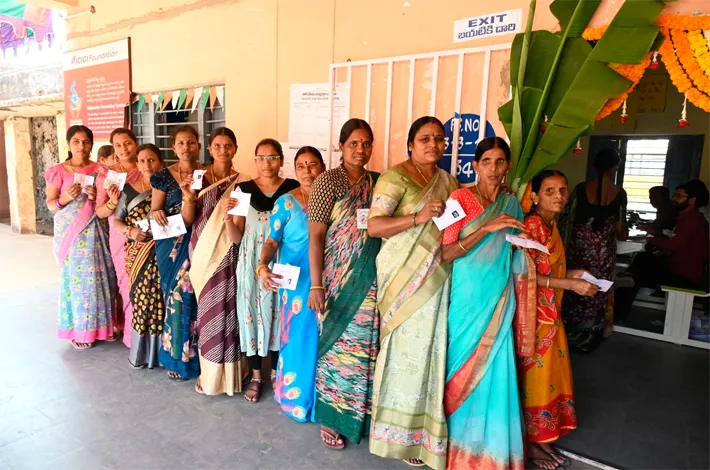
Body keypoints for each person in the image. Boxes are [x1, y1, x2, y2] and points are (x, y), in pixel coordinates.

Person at [366, 116, 458, 469]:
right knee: (403, 352)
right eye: (424, 138)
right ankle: (397, 436)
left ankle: (425, 436)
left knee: (431, 352)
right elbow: (375, 226)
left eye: (439, 138)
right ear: (410, 144)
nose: (433, 144)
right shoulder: (395, 177)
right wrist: (418, 217)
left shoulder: (448, 181)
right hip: (402, 280)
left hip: (437, 277)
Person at [440, 136, 531, 470]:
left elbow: (514, 249)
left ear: (508, 166)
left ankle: (491, 453)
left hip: (499, 299)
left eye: (500, 161)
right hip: (467, 300)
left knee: (496, 370)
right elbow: (446, 252)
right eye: (487, 161)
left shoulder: (512, 203)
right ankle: (455, 450)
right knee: (459, 366)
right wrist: (487, 228)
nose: (493, 168)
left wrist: (526, 245)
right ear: (475, 165)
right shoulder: (458, 199)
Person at [308, 118, 381, 450]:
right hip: (336, 280)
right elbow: (316, 235)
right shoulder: (328, 181)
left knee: (365, 349)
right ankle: (332, 416)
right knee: (336, 347)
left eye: (366, 144)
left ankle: (359, 416)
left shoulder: (377, 182)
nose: (360, 149)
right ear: (340, 146)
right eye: (354, 143)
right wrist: (316, 285)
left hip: (369, 278)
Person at [519, 171, 598, 470]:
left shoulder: (549, 224)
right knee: (535, 380)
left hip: (551, 314)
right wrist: (570, 284)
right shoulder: (532, 226)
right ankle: (529, 443)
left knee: (549, 377)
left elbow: (549, 270)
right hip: (535, 318)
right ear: (534, 196)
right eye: (549, 190)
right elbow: (524, 275)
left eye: (563, 190)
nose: (559, 196)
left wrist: (573, 275)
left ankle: (540, 438)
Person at [258, 146, 326, 421]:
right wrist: (262, 266)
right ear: (295, 171)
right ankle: (295, 398)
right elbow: (272, 241)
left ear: (323, 168)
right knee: (298, 338)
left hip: (327, 280)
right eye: (301, 166)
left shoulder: (333, 200)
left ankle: (324, 402)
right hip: (296, 285)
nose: (307, 171)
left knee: (323, 339)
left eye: (313, 164)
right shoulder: (285, 203)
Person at [229, 138, 299, 402]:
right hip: (251, 262)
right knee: (252, 315)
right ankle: (257, 376)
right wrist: (227, 219)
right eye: (261, 158)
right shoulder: (242, 190)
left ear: (281, 160)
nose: (266, 163)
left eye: (272, 158)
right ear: (255, 160)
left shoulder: (293, 188)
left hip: (284, 259)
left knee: (281, 313)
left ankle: (277, 373)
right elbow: (236, 237)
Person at [189, 127, 251, 396]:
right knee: (207, 314)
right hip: (200, 252)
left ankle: (233, 375)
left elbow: (238, 230)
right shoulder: (198, 177)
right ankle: (210, 375)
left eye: (228, 146)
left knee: (228, 312)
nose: (223, 150)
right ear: (209, 148)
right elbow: (188, 217)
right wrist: (186, 196)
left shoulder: (243, 183)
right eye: (217, 146)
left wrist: (227, 217)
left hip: (228, 253)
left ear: (235, 148)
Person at [44, 125, 117, 350]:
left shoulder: (101, 170)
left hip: (96, 230)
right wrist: (66, 198)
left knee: (102, 278)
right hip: (72, 235)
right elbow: (51, 204)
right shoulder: (57, 171)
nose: (81, 146)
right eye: (76, 141)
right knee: (79, 283)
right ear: (68, 144)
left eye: (86, 142)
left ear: (91, 144)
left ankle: (104, 327)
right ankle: (79, 329)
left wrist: (95, 197)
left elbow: (109, 200)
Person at [560, 148, 628, 353]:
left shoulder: (581, 189)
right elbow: (620, 229)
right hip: (604, 252)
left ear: (594, 166)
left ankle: (570, 333)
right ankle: (591, 334)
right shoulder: (619, 193)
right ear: (614, 168)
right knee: (599, 288)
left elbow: (566, 219)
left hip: (579, 249)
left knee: (574, 285)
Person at [150, 125, 203, 380]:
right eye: (180, 143)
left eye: (191, 142)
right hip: (170, 244)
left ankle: (198, 358)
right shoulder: (162, 177)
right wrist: (156, 213)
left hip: (199, 242)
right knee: (176, 298)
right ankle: (175, 357)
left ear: (198, 146)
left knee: (196, 299)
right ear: (173, 147)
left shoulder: (206, 174)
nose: (186, 147)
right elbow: (155, 210)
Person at [615, 180, 710, 323]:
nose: (673, 199)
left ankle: (618, 314)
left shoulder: (691, 220)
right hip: (683, 269)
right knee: (642, 261)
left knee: (639, 269)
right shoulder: (690, 217)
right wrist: (654, 236)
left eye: (679, 196)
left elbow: (672, 246)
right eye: (674, 195)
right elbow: (677, 241)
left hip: (684, 275)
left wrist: (650, 239)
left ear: (692, 200)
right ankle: (627, 280)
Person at [113, 143, 166, 369]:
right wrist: (131, 231)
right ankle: (141, 354)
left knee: (162, 300)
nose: (147, 164)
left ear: (161, 162)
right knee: (142, 299)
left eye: (151, 160)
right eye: (142, 161)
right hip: (138, 253)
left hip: (164, 251)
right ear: (136, 164)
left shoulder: (170, 188)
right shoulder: (129, 190)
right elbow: (117, 221)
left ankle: (162, 354)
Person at [95, 128, 143, 345]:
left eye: (128, 143)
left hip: (148, 235)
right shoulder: (109, 175)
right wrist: (113, 202)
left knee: (148, 283)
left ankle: (150, 338)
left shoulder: (148, 166)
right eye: (118, 145)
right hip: (121, 236)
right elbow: (100, 211)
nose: (124, 149)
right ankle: (133, 338)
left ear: (136, 143)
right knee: (127, 283)